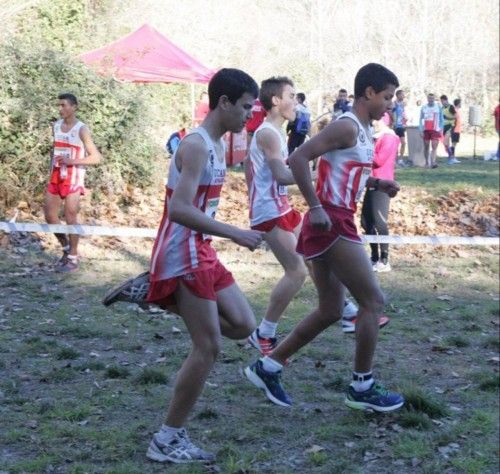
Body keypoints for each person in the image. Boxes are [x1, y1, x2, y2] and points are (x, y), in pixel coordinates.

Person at [104, 69, 262, 464]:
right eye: (245, 107)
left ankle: (154, 295)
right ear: (223, 102)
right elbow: (179, 209)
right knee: (207, 346)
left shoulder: (217, 144)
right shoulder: (195, 145)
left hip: (201, 249)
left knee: (243, 325)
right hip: (181, 250)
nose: (249, 116)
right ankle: (167, 439)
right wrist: (235, 233)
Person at [244, 63, 404, 413]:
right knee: (372, 302)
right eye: (387, 97)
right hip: (331, 219)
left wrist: (377, 183)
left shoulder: (361, 129)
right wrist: (315, 207)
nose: (391, 104)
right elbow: (299, 159)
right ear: (368, 93)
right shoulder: (346, 126)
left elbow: (341, 172)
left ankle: (268, 366)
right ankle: (362, 386)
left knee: (332, 309)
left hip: (333, 218)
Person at [43, 93, 101, 272]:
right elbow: (57, 150)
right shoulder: (56, 126)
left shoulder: (81, 129)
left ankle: (74, 257)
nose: (60, 109)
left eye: (63, 105)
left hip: (74, 176)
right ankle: (66, 248)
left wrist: (72, 162)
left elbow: (96, 158)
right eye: (58, 105)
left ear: (74, 107)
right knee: (50, 216)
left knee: (70, 217)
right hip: (56, 175)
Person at [361, 119, 399, 272]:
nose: (374, 123)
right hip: (371, 183)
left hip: (382, 184)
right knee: (366, 222)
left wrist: (365, 149)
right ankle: (374, 257)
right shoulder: (375, 137)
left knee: (380, 222)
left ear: (385, 121)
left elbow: (379, 160)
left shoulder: (389, 137)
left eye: (377, 120)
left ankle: (384, 259)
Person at [420, 93, 443, 168]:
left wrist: (441, 128)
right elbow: (421, 119)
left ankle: (433, 162)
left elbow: (441, 119)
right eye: (429, 98)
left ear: (434, 99)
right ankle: (427, 162)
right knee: (426, 146)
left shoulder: (438, 107)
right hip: (426, 129)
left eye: (432, 98)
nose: (431, 100)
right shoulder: (424, 107)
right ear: (427, 99)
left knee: (434, 146)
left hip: (435, 129)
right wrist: (420, 129)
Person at [392, 89, 408, 166]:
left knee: (403, 143)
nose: (403, 96)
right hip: (396, 126)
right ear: (398, 95)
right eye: (402, 94)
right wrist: (394, 124)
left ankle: (400, 159)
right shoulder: (394, 103)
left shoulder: (403, 104)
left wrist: (405, 121)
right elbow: (393, 114)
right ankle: (394, 160)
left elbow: (403, 114)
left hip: (401, 126)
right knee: (395, 144)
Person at [440, 95, 456, 161]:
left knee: (445, 141)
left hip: (450, 125)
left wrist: (447, 118)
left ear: (446, 100)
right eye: (441, 101)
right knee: (445, 143)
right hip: (444, 126)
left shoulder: (451, 107)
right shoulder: (442, 108)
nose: (442, 102)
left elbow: (455, 116)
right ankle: (450, 156)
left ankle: (451, 156)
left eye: (443, 101)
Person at [449, 99, 462, 164]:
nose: (461, 104)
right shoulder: (455, 111)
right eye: (460, 103)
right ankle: (452, 158)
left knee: (454, 144)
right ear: (458, 104)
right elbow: (453, 120)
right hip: (455, 129)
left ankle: (452, 157)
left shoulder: (458, 110)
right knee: (453, 144)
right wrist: (453, 128)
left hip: (458, 130)